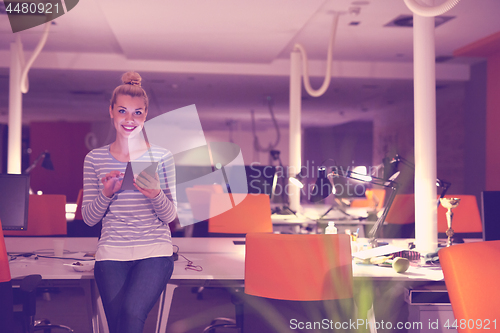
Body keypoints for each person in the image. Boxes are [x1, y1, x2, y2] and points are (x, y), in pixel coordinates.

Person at [82, 71, 177, 333]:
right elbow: (89, 219)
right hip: (112, 250)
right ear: (111, 111)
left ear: (145, 115)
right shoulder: (95, 159)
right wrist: (106, 194)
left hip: (154, 250)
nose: (129, 119)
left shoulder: (162, 156)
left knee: (133, 313)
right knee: (119, 325)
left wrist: (156, 194)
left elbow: (170, 217)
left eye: (137, 113)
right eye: (123, 111)